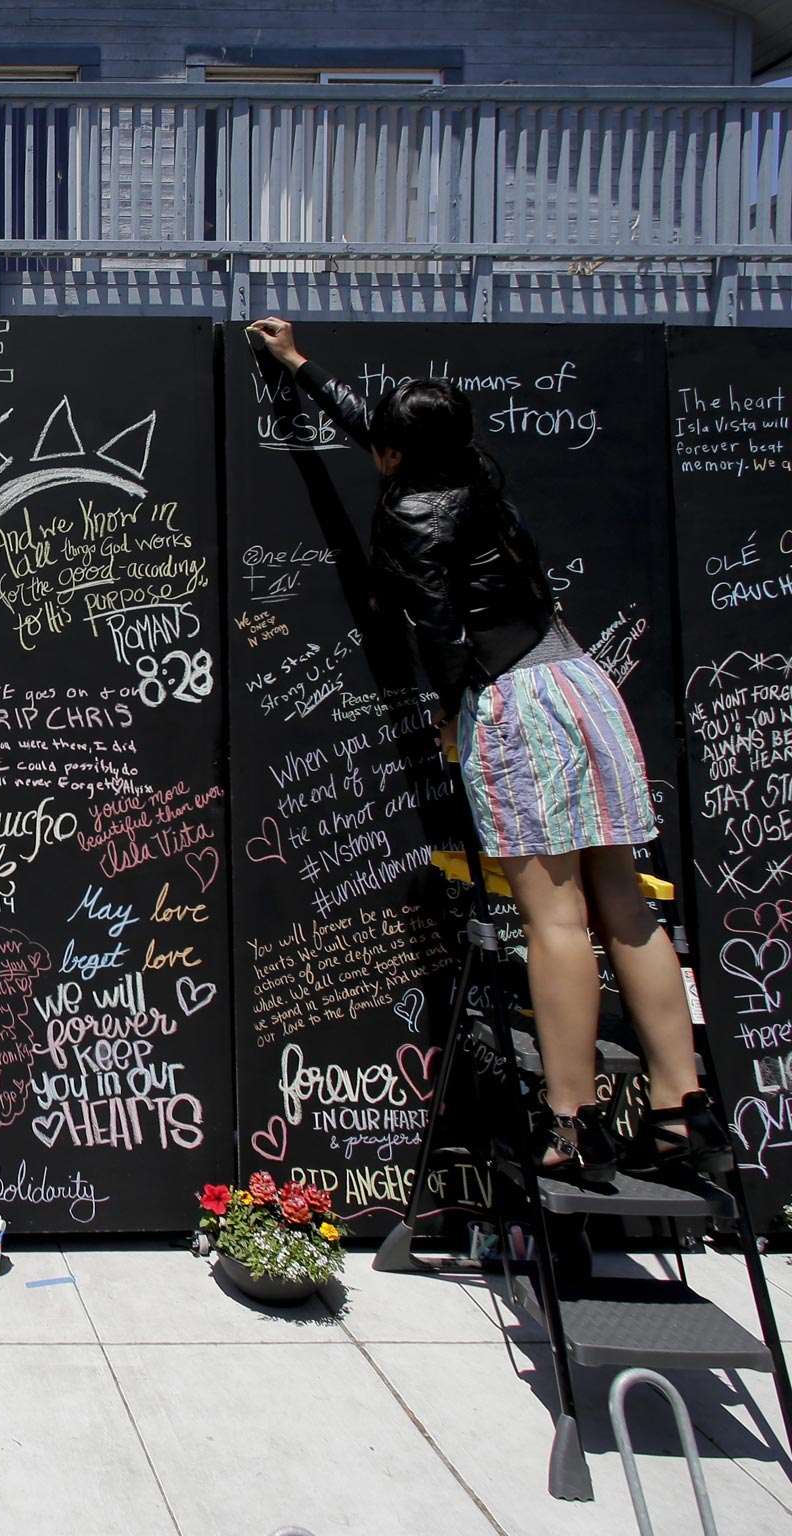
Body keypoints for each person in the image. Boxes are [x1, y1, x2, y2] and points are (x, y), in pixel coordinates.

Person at [246, 316, 732, 1185]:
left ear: (396, 454)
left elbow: (437, 627)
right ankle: (680, 1107)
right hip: (581, 684)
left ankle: (572, 1124)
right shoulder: (471, 474)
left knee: (554, 917)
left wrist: (451, 710)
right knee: (624, 901)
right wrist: (299, 368)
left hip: (516, 701)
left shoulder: (412, 512)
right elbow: (381, 428)